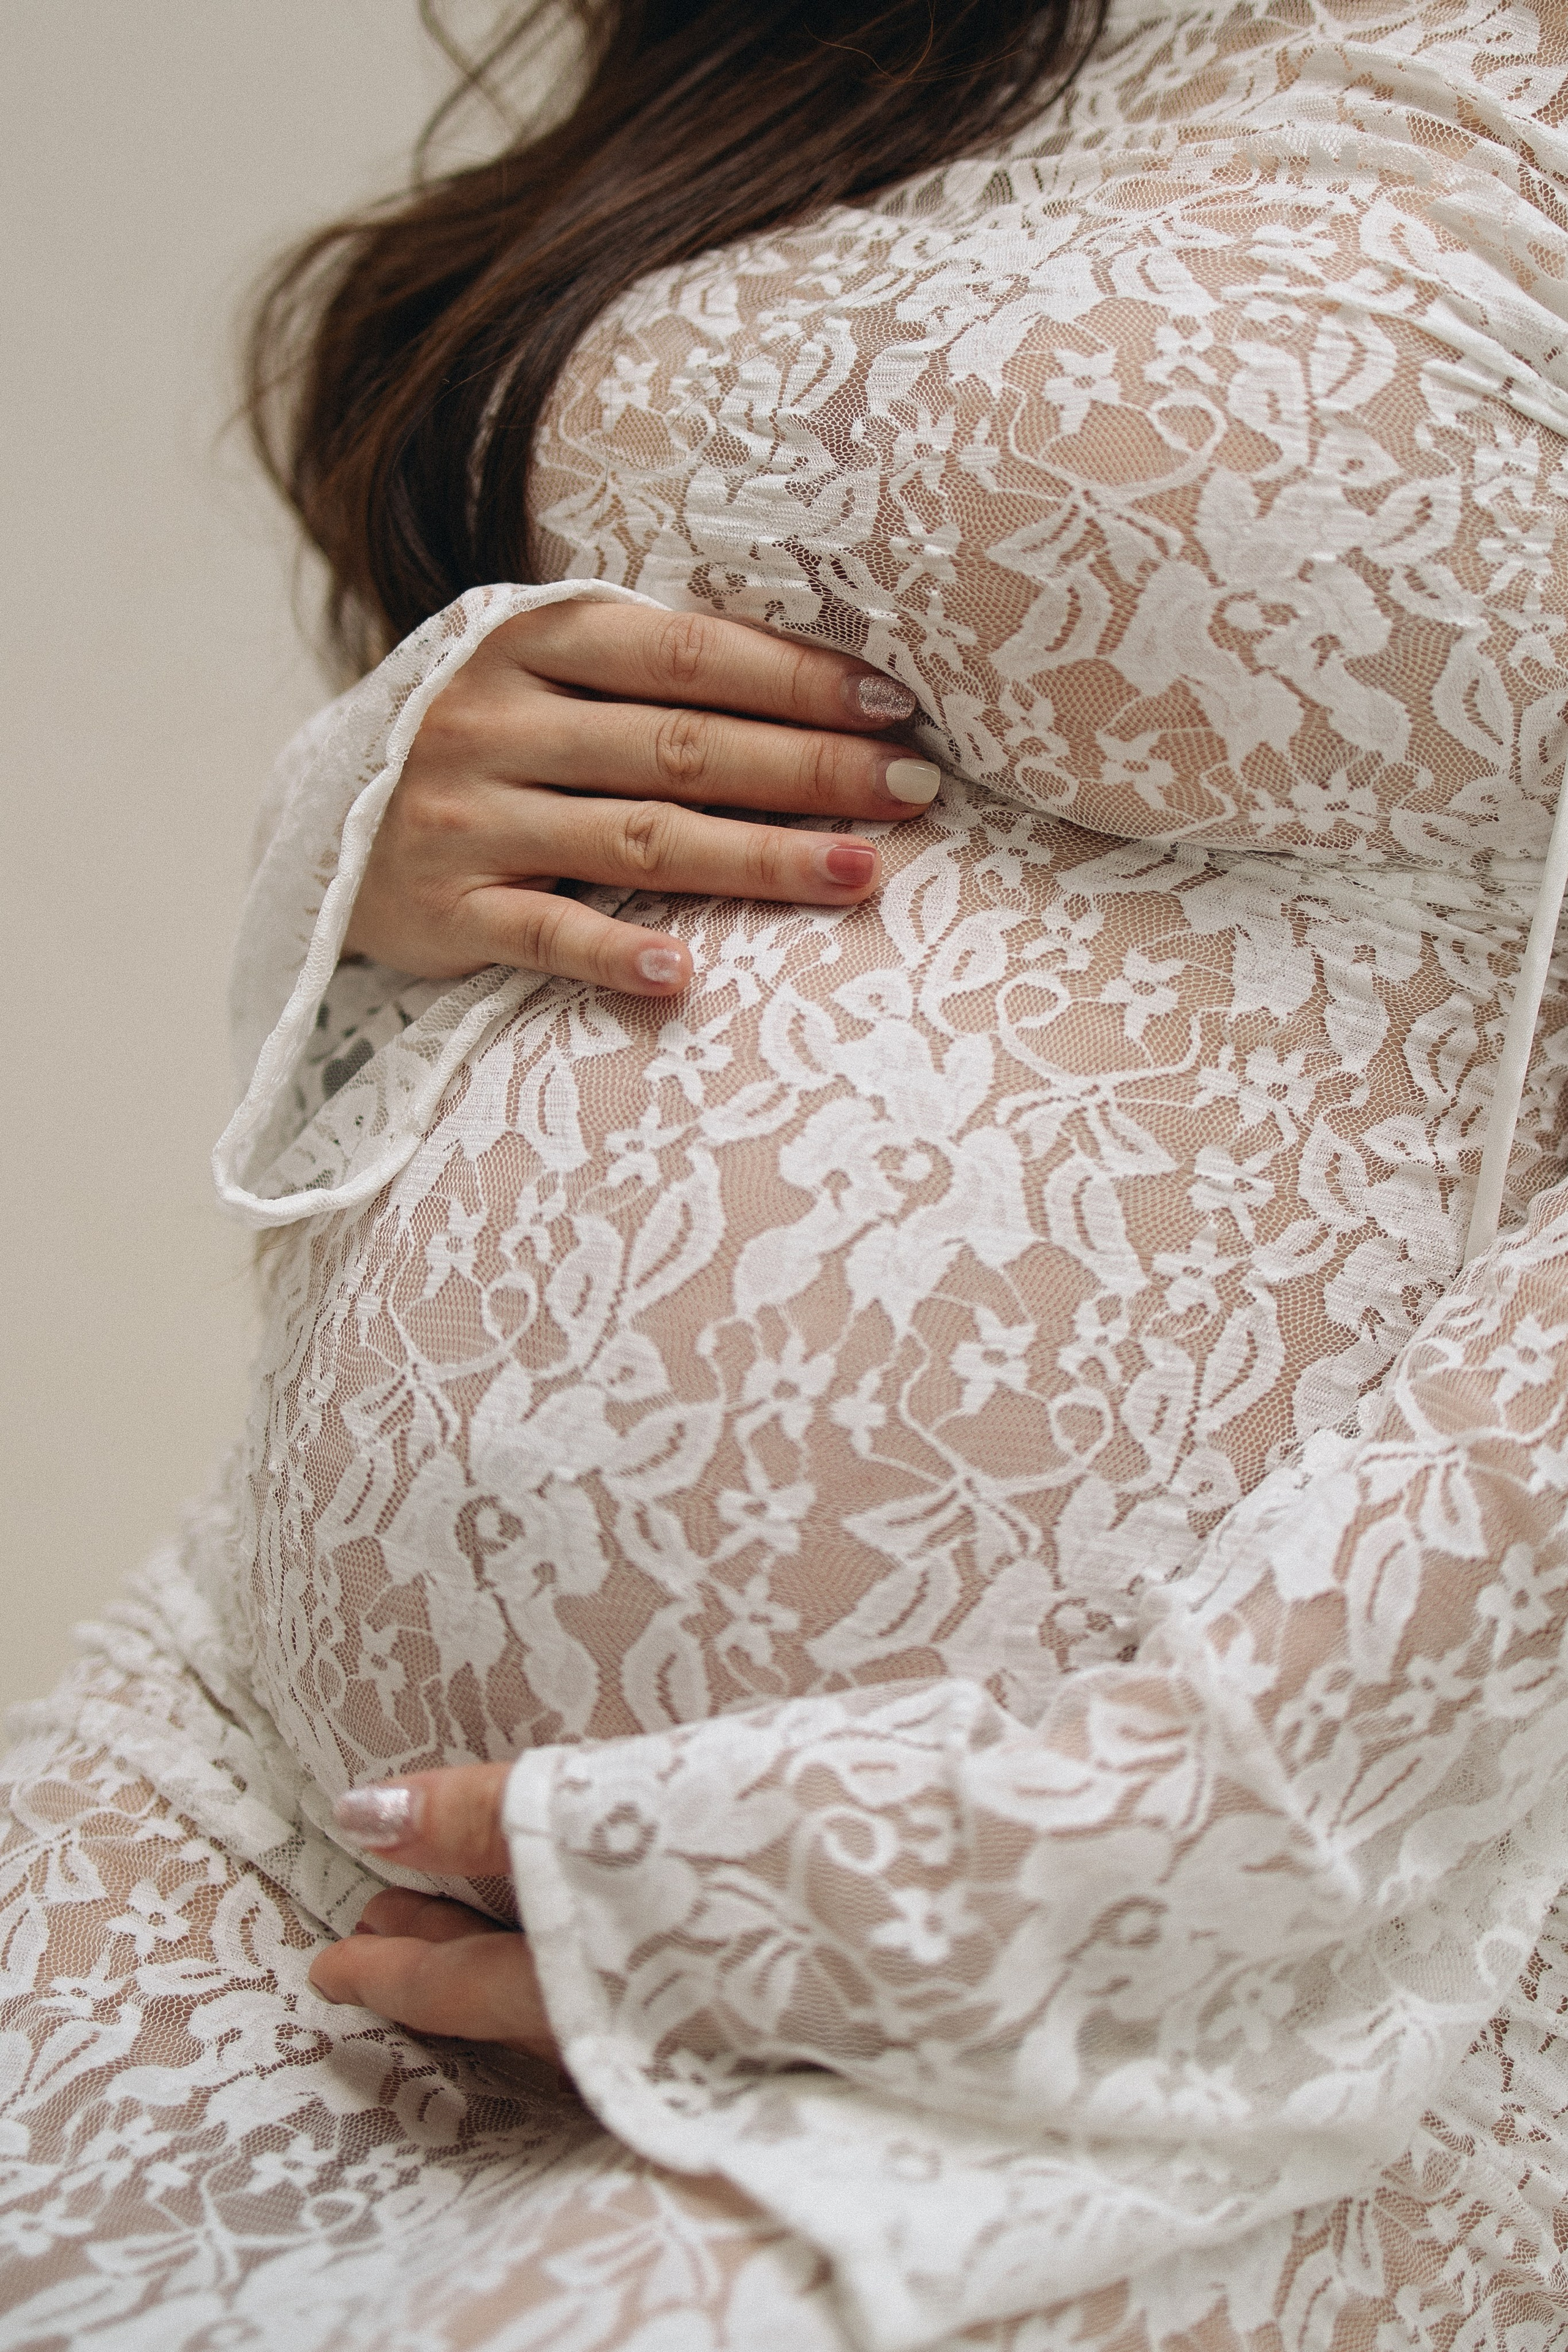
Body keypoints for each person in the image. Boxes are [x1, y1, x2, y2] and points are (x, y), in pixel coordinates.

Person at [6, 1, 1568, 2345]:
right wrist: (382, 819)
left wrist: (1114, 1851)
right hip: (254, 1812)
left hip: (1174, 1950)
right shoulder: (886, 31)